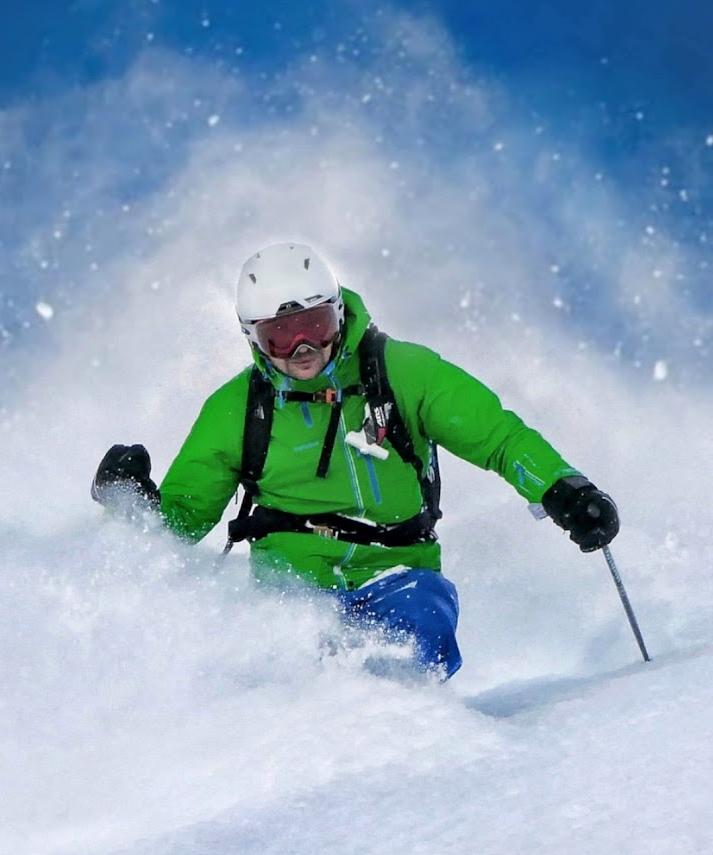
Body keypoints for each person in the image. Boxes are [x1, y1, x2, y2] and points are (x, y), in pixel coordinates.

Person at [92, 242, 619, 680]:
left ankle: (407, 746)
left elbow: (499, 437)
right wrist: (127, 501)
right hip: (291, 595)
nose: (301, 347)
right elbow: (176, 526)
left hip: (398, 575)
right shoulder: (236, 411)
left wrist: (561, 487)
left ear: (338, 312)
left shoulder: (404, 373)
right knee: (283, 670)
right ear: (253, 339)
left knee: (414, 626)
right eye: (280, 336)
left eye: (315, 326)